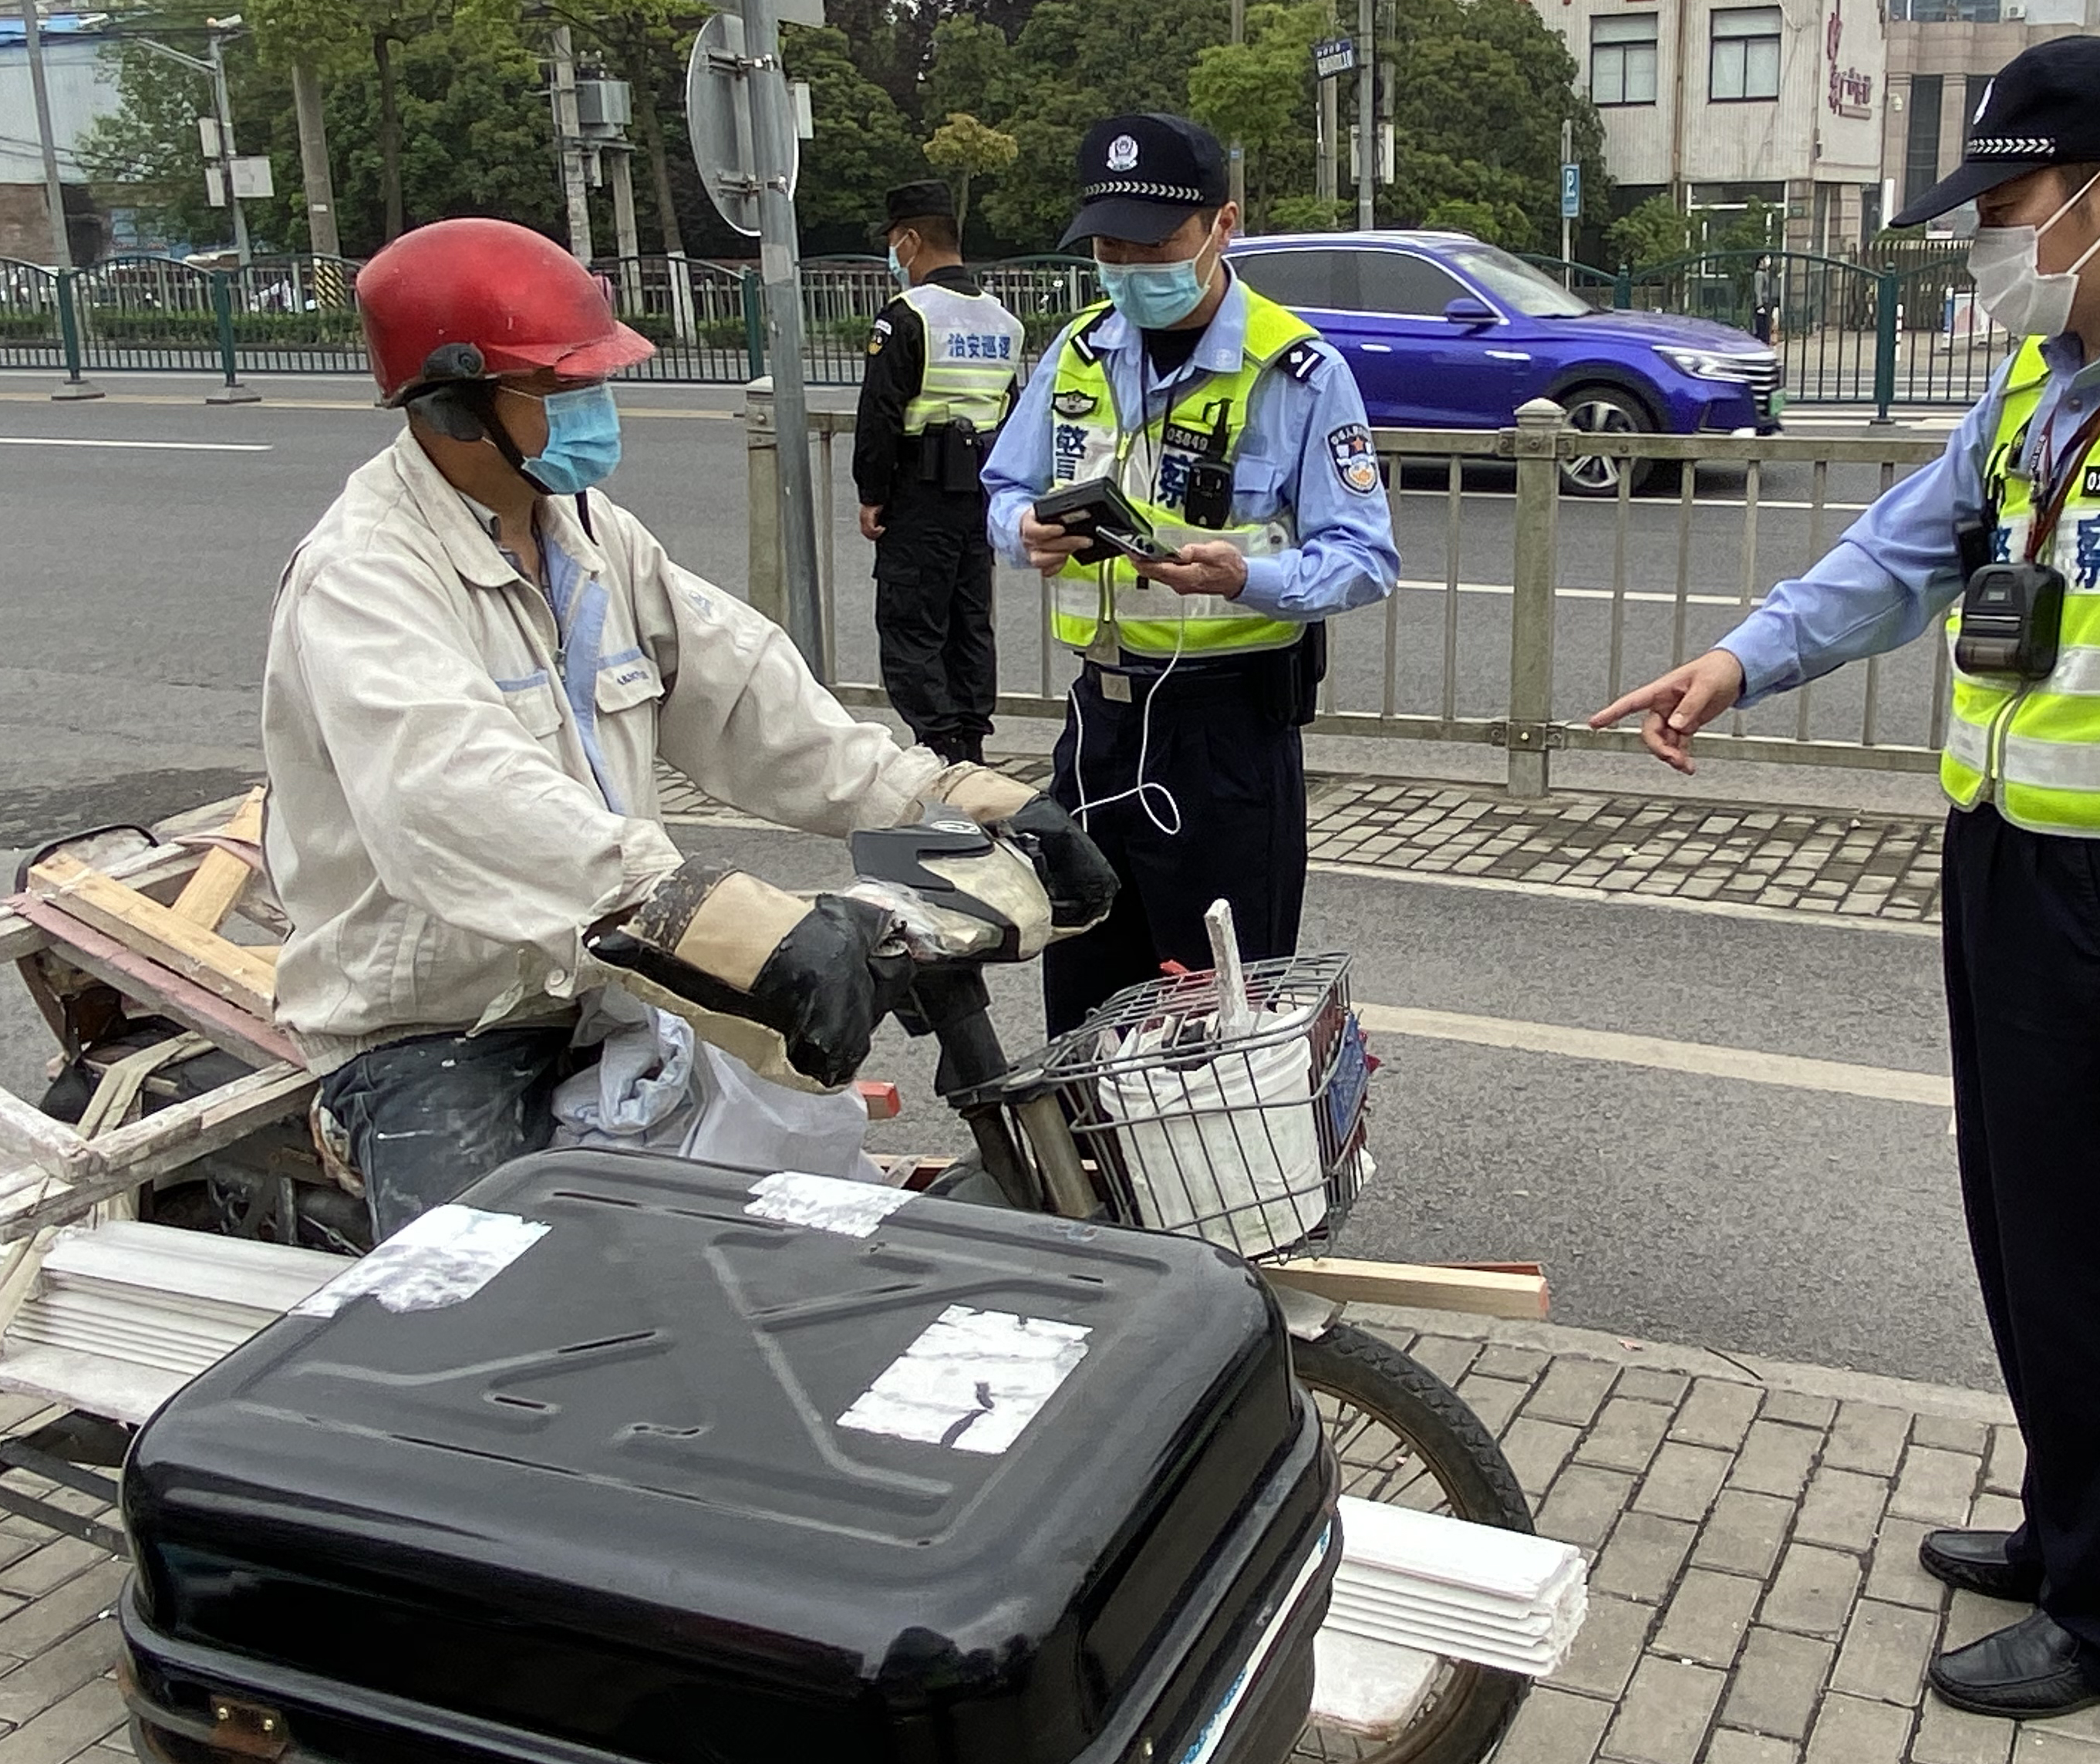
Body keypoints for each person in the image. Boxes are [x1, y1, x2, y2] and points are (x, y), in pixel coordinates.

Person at [1591, 39, 2100, 1719]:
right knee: (2023, 1227)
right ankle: (2060, 1518)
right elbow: (1901, 552)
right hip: (2005, 863)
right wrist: (1738, 661)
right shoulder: (2044, 378)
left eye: (2004, 209)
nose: (1981, 245)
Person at [261, 218, 1113, 1241]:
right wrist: (713, 921)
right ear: (448, 407)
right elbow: (454, 796)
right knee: (497, 1313)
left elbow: (748, 694)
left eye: (595, 381)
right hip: (438, 1031)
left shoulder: (586, 530)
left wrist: (945, 797)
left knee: (794, 1217)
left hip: (605, 986)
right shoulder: (364, 577)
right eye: (559, 389)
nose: (594, 409)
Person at [983, 114, 1401, 1032]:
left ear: (1222, 227)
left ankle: (1204, 1178)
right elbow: (1004, 486)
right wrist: (1021, 529)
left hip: (1225, 737)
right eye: (1109, 245)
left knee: (1218, 1015)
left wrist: (1244, 576)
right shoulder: (1080, 349)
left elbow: (1365, 557)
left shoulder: (1296, 371)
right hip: (1096, 724)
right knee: (1085, 1001)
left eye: (1155, 243)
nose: (1130, 265)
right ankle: (1093, 1175)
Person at [854, 180, 1025, 764]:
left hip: (918, 492)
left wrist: (871, 495)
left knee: (912, 620)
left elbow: (880, 413)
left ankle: (938, 746)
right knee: (969, 618)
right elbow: (1013, 413)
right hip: (977, 493)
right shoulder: (1004, 322)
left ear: (910, 239)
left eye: (894, 243)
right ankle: (971, 741)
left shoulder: (907, 316)